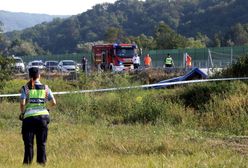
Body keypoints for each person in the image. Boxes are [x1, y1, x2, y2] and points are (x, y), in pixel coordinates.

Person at [19, 67, 56, 165]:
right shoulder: (46, 88)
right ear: (39, 75)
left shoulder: (25, 88)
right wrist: (46, 109)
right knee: (42, 143)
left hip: (29, 118)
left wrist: (22, 113)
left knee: (28, 144)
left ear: (29, 76)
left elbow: (22, 103)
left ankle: (27, 163)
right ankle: (42, 163)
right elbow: (53, 102)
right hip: (43, 118)